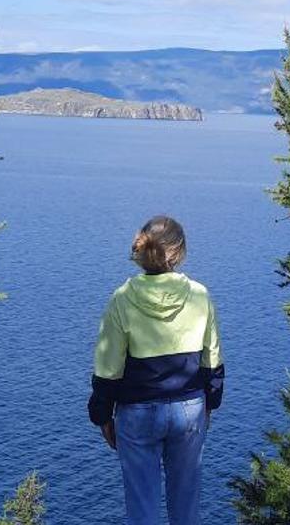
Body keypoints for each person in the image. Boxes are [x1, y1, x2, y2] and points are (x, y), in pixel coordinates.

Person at [89, 215, 224, 525]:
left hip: (136, 412)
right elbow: (212, 361)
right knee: (186, 505)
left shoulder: (122, 299)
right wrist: (210, 405)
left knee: (142, 510)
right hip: (190, 408)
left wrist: (102, 416)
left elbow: (108, 368)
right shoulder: (200, 296)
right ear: (178, 252)